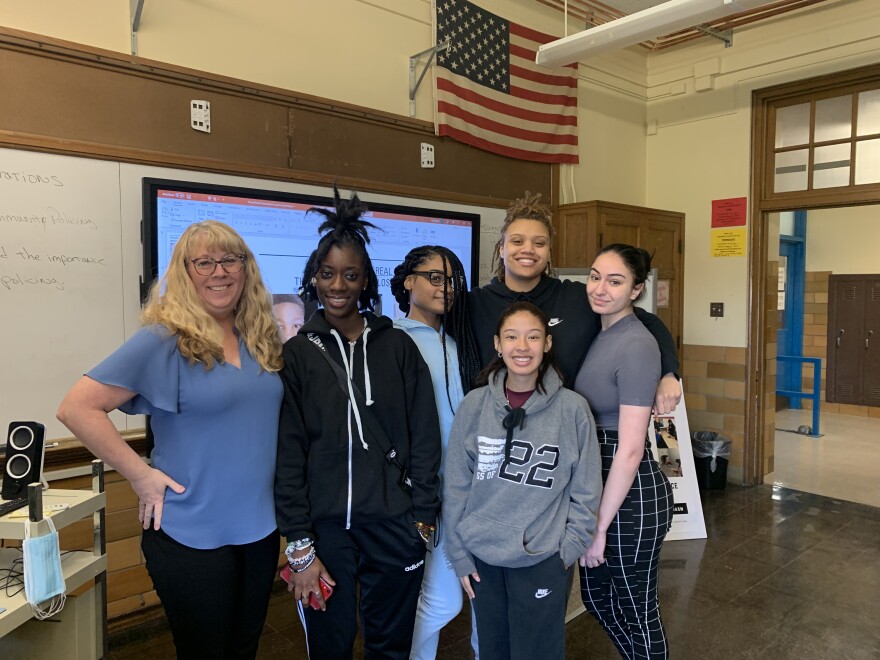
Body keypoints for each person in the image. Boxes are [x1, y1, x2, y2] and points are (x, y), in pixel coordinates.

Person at [57, 220, 283, 659]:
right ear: (184, 271)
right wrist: (141, 477)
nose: (219, 272)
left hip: (258, 531)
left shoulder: (259, 337)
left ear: (245, 268)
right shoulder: (163, 339)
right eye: (204, 262)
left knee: (244, 650)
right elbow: (76, 407)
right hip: (189, 535)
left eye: (229, 260)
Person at [275, 188, 442, 659]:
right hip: (325, 532)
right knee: (330, 646)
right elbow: (289, 453)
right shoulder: (297, 355)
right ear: (314, 277)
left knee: (390, 647)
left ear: (366, 279)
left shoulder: (398, 348)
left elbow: (425, 435)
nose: (338, 286)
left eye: (350, 275)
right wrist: (299, 541)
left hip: (395, 525)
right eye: (327, 274)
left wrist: (423, 515)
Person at [443, 301, 602, 660]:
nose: (522, 347)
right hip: (482, 557)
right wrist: (460, 556)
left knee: (537, 653)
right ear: (497, 344)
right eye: (512, 337)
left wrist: (567, 550)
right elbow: (455, 486)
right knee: (493, 651)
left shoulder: (573, 409)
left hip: (542, 557)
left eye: (533, 337)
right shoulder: (474, 405)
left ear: (547, 343)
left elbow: (586, 488)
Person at [468, 193, 682, 414]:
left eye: (539, 243)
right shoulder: (473, 304)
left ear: (549, 252)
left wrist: (669, 373)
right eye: (517, 241)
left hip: (565, 427)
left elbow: (647, 323)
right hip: (492, 428)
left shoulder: (577, 298)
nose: (528, 249)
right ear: (501, 248)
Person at [574, 244, 675, 660]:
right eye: (595, 276)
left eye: (615, 281)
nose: (600, 288)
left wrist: (598, 526)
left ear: (636, 290)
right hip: (601, 483)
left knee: (638, 611)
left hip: (630, 496)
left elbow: (632, 448)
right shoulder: (602, 333)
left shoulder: (636, 344)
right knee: (598, 601)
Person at [389, 245, 481, 660]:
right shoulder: (390, 340)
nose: (445, 288)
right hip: (424, 494)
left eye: (452, 280)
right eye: (435, 277)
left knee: (462, 593)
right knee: (443, 600)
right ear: (409, 281)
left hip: (470, 491)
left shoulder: (460, 340)